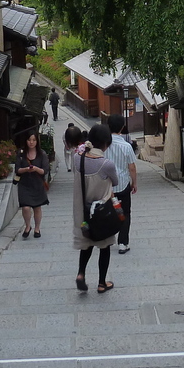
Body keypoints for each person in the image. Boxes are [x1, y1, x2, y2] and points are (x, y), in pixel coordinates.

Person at [72, 123, 118, 293]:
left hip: (82, 213)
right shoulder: (106, 164)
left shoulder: (77, 158)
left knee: (86, 245)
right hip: (101, 214)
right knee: (104, 247)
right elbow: (116, 182)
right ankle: (101, 283)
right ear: (106, 143)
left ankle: (81, 274)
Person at [105, 114, 138, 254]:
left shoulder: (103, 145)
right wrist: (134, 183)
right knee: (125, 213)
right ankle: (123, 243)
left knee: (108, 212)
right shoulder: (126, 146)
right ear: (122, 127)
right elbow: (132, 167)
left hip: (106, 186)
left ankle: (106, 238)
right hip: (123, 184)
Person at [15, 131, 49, 239]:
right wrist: (26, 169)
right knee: (25, 207)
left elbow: (45, 170)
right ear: (26, 141)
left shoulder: (41, 154)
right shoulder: (21, 154)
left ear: (37, 141)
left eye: (34, 140)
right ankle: (28, 226)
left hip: (37, 184)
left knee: (37, 207)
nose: (31, 142)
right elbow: (17, 170)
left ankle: (37, 228)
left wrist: (35, 169)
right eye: (29, 140)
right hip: (25, 184)